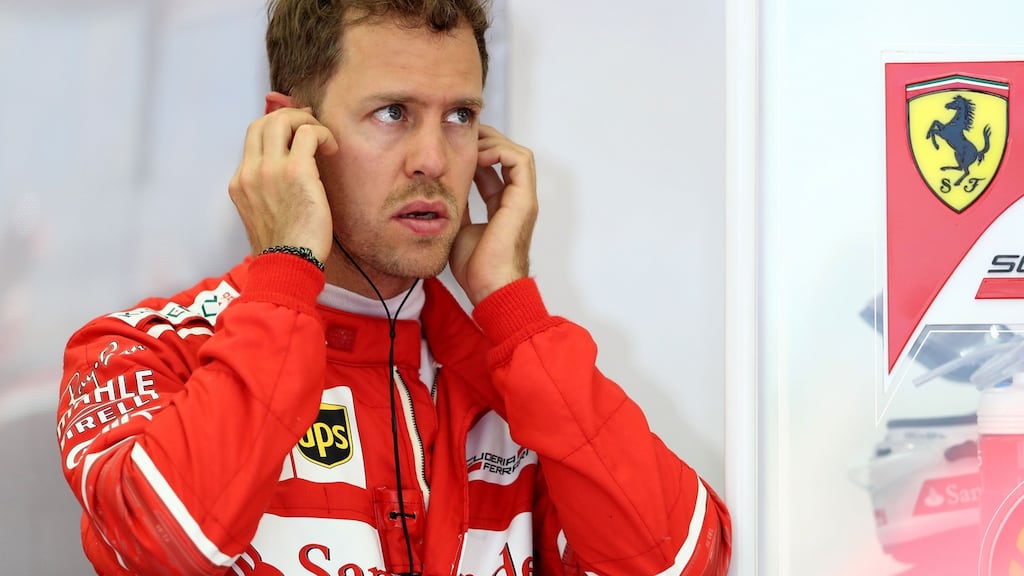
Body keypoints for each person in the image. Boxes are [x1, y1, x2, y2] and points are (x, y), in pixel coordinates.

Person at [55, 1, 732, 574]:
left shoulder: (513, 380)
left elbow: (681, 561)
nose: (435, 160)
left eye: (460, 116)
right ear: (289, 135)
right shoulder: (142, 350)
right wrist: (286, 266)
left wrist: (511, 309)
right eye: (393, 113)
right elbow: (167, 542)